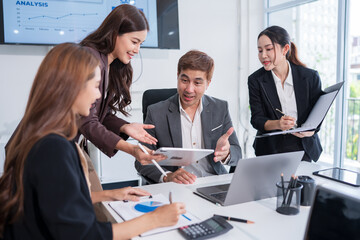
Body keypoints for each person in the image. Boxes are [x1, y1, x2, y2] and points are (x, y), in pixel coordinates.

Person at [0, 43, 186, 239]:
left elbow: (56, 201)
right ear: (73, 86)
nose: (98, 95)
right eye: (96, 86)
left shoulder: (42, 134)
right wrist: (154, 220)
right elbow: (83, 235)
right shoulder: (54, 148)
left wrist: (110, 194)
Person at [135, 50, 242, 184]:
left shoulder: (220, 108)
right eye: (184, 80)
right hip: (177, 185)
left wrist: (226, 153)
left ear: (208, 84)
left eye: (197, 83)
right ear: (177, 76)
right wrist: (167, 176)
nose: (189, 89)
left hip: (213, 182)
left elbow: (237, 153)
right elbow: (141, 160)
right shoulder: (156, 112)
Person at [78, 4, 164, 165]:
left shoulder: (110, 65)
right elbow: (86, 120)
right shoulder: (90, 59)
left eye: (141, 44)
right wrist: (131, 149)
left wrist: (126, 127)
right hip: (46, 145)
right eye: (134, 41)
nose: (137, 50)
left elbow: (99, 114)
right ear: (114, 33)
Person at [248, 25, 323, 162]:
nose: (263, 55)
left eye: (269, 49)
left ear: (285, 49)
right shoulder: (255, 80)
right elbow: (257, 119)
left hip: (303, 147)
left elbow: (318, 114)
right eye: (260, 50)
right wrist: (278, 124)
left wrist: (312, 130)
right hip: (270, 149)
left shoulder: (310, 77)